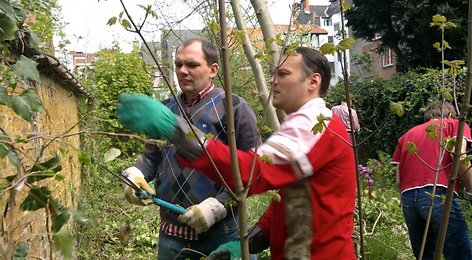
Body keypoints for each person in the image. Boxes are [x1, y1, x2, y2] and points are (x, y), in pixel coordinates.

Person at [117, 46, 357, 259]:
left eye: (283, 74)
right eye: (274, 73)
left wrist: (176, 130)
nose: (273, 80)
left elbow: (251, 171)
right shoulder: (304, 122)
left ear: (313, 82)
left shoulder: (314, 123)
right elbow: (290, 195)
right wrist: (255, 239)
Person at [120, 38, 258, 259]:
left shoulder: (235, 108)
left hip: (222, 233)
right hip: (172, 235)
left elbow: (252, 171)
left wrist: (217, 207)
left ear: (213, 70)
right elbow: (151, 158)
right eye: (178, 64)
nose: (182, 71)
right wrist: (135, 174)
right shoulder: (165, 108)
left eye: (192, 65)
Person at [391, 100, 472, 259]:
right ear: (450, 114)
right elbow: (459, 155)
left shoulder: (407, 135)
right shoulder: (455, 124)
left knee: (424, 255)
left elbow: (399, 180)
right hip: (436, 194)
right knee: (460, 253)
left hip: (408, 200)